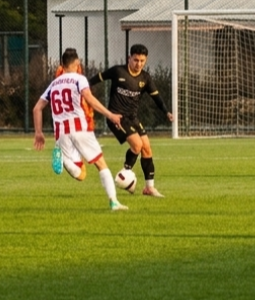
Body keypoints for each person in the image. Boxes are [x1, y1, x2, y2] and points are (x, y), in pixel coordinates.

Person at [33, 48, 127, 211]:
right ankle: (113, 202)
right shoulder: (79, 79)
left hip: (61, 132)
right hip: (79, 128)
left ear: (62, 65)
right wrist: (110, 115)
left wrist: (39, 133)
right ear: (77, 63)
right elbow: (89, 99)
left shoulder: (54, 84)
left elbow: (37, 108)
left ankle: (66, 161)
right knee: (101, 164)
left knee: (81, 175)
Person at [93, 44, 173, 197]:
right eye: (136, 60)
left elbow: (156, 97)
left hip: (133, 118)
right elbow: (97, 78)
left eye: (142, 61)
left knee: (147, 148)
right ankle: (125, 174)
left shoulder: (145, 78)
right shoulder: (118, 71)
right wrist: (80, 87)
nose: (139, 64)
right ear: (129, 58)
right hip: (117, 118)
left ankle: (149, 188)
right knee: (137, 145)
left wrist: (166, 112)